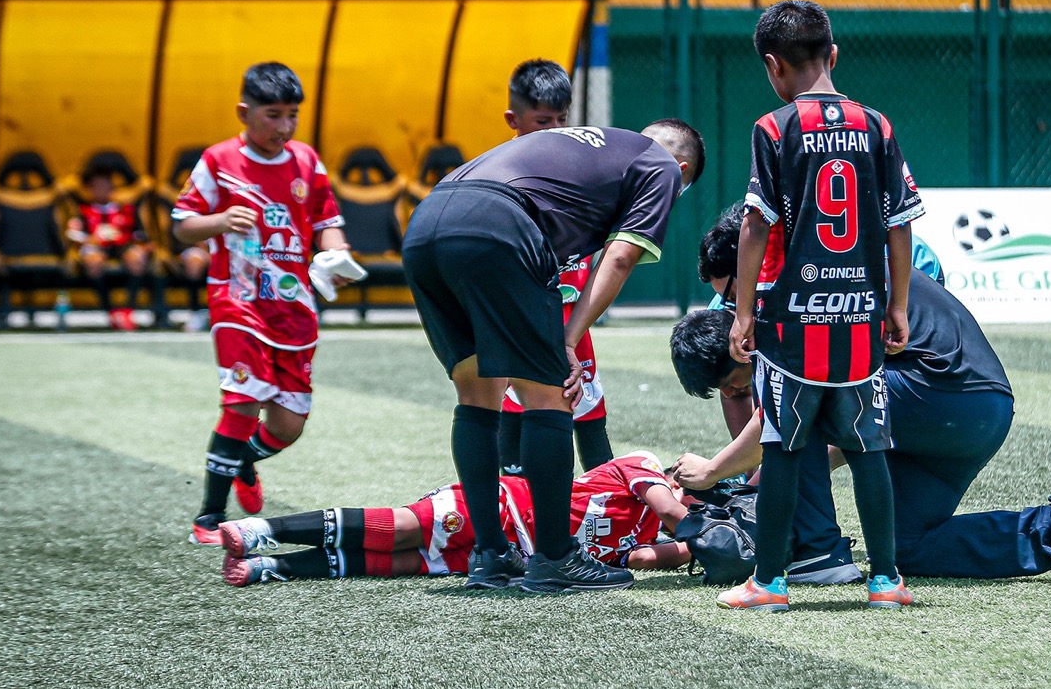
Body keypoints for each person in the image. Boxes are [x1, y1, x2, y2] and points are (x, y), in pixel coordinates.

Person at [401, 117, 704, 595]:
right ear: (681, 169)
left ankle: (490, 555)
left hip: (426, 223)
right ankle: (555, 557)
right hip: (497, 226)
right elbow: (619, 257)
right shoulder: (662, 166)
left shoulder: (596, 146)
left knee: (476, 394)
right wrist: (567, 340)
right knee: (551, 394)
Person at [670, 266, 1051, 585]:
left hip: (941, 395)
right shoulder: (822, 275)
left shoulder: (794, 302)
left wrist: (712, 471)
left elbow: (793, 416)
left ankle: (822, 554)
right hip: (971, 414)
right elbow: (844, 437)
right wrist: (771, 478)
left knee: (805, 397)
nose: (734, 393)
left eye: (729, 384)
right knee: (905, 546)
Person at [721, 0, 923, 612]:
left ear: (773, 66)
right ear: (833, 55)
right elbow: (900, 223)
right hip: (861, 315)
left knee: (783, 445)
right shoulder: (877, 125)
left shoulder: (773, 128)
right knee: (868, 445)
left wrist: (744, 312)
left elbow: (757, 223)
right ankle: (885, 581)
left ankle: (769, 583)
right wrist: (897, 306)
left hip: (794, 320)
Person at [172, 62, 356, 545]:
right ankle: (209, 517)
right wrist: (218, 221)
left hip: (293, 307)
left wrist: (335, 255)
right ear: (244, 112)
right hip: (238, 300)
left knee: (288, 426)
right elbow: (183, 224)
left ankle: (243, 461)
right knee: (242, 401)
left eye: (292, 115)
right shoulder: (218, 160)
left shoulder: (307, 161)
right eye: (273, 115)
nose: (284, 126)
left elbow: (327, 222)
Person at [689, 201, 859, 585]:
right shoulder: (740, 303)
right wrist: (752, 475)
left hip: (902, 374)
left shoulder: (813, 278)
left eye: (732, 294)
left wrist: (718, 471)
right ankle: (871, 562)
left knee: (807, 414)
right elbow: (736, 385)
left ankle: (821, 554)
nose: (730, 306)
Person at [216, 451, 691, 585]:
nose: (689, 508)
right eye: (692, 497)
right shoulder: (645, 467)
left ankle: (271, 567)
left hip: (513, 557)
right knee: (399, 529)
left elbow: (645, 560)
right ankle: (261, 530)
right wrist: (702, 530)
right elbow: (671, 508)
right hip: (502, 507)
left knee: (401, 564)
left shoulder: (647, 535)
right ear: (675, 477)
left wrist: (694, 550)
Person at [496, 60, 613, 475]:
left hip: (573, 319)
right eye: (543, 121)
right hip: (523, 319)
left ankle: (607, 494)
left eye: (562, 119)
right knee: (517, 407)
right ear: (513, 120)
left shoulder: (579, 169)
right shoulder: (501, 174)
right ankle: (510, 500)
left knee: (588, 408)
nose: (555, 130)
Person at [66, 164, 156, 331]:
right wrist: (89, 240)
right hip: (95, 246)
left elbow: (141, 236)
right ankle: (110, 311)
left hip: (123, 245)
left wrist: (145, 247)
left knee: (137, 258)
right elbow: (74, 237)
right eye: (97, 186)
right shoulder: (82, 211)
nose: (102, 189)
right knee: (93, 261)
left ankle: (128, 309)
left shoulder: (126, 209)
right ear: (89, 189)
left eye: (105, 185)